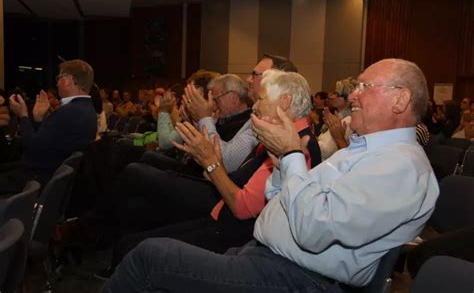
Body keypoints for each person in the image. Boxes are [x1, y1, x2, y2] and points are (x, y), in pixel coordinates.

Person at [102, 59, 439, 292]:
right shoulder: (367, 151)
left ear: (400, 99)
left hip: (298, 278)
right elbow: (279, 198)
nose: (352, 94)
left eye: (364, 86)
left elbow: (313, 230)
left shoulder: (402, 166)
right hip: (266, 255)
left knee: (149, 256)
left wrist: (291, 155)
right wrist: (282, 162)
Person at [96, 70, 321, 280]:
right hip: (221, 215)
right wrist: (209, 164)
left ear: (285, 102)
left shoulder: (296, 146)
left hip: (233, 234)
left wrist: (211, 163)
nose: (255, 106)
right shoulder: (284, 137)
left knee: (134, 245)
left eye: (261, 99)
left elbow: (241, 207)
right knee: (134, 215)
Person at [184, 54, 297, 173]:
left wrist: (204, 117)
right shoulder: (256, 114)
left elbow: (226, 162)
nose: (248, 79)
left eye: (255, 74)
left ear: (277, 79)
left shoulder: (270, 120)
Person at [5, 59, 97, 191]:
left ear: (68, 80)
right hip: (50, 178)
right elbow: (44, 143)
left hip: (36, 181)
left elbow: (31, 149)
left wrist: (23, 115)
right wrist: (38, 119)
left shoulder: (68, 112)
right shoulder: (87, 110)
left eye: (59, 78)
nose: (57, 83)